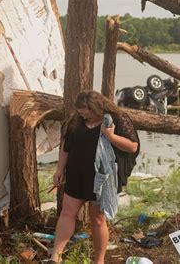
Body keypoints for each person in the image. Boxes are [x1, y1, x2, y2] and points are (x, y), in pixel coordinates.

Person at [49, 90, 139, 263]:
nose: (84, 115)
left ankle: (99, 260)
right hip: (76, 174)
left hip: (103, 178)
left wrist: (110, 136)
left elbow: (132, 147)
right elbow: (65, 147)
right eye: (81, 112)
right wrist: (59, 170)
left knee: (97, 219)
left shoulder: (117, 119)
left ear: (98, 107)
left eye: (88, 111)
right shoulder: (75, 121)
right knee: (67, 212)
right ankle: (55, 257)